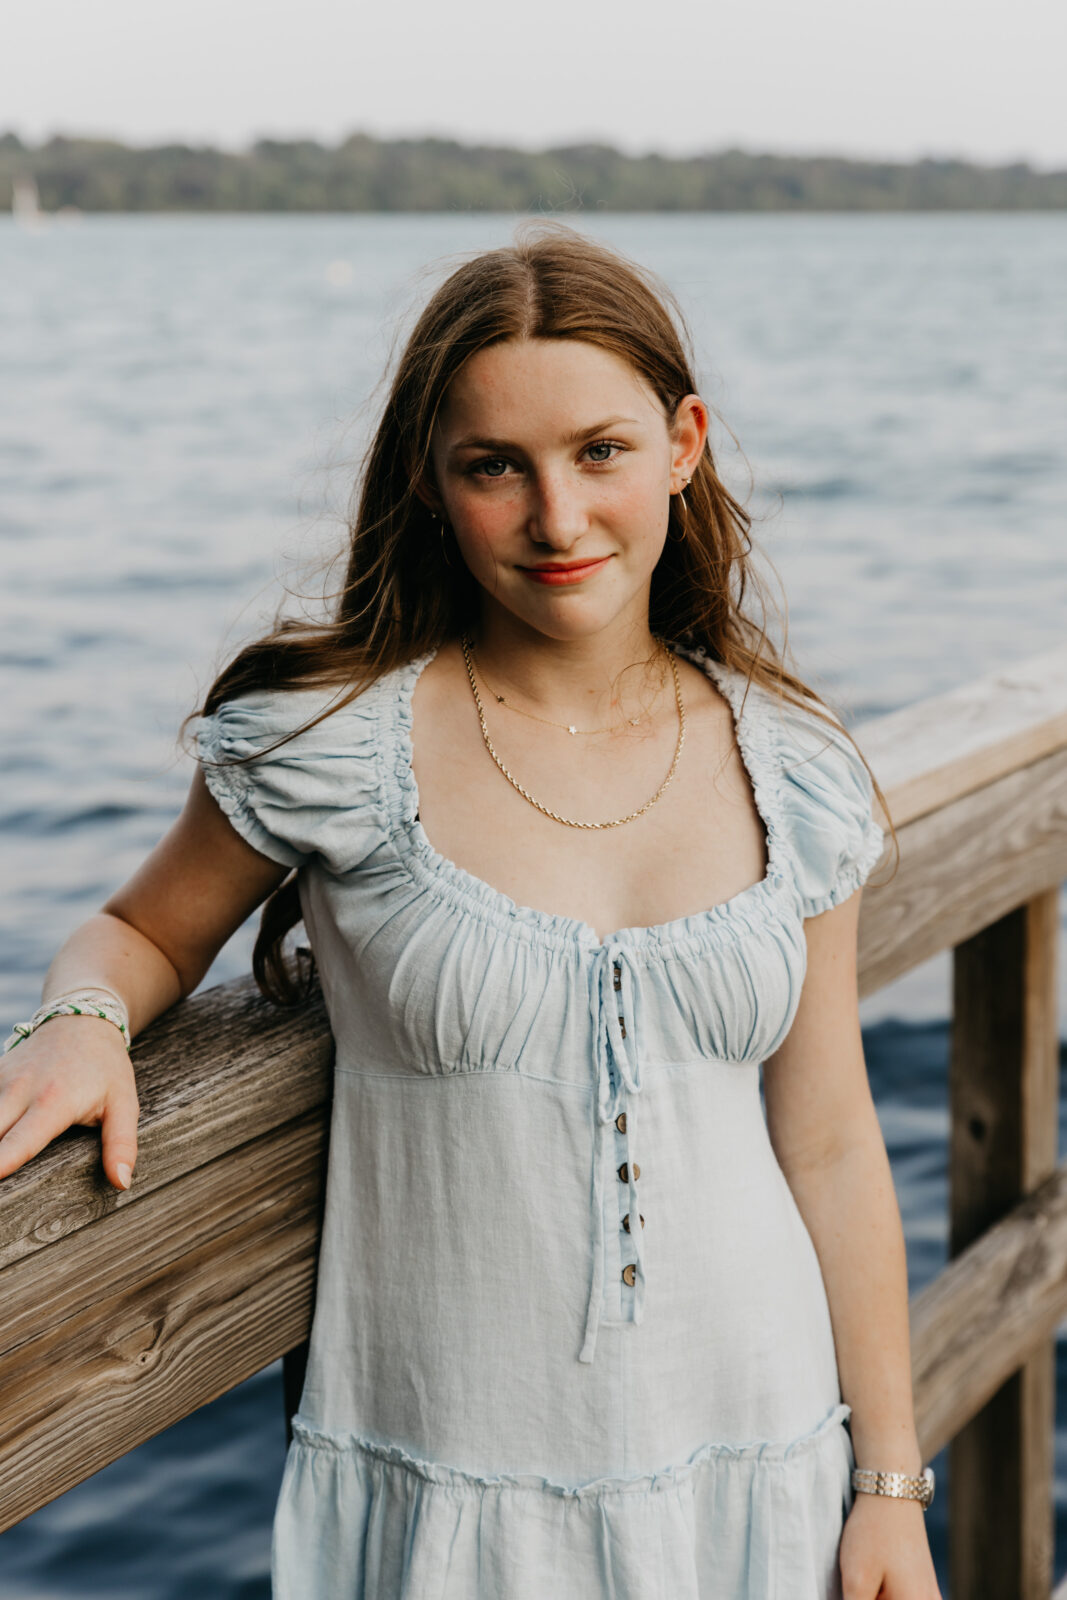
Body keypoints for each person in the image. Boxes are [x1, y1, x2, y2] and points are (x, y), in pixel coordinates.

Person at [0, 222, 941, 1599]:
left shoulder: (791, 767)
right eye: (496, 467)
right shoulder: (330, 743)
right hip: (451, 1493)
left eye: (599, 452)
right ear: (433, 486)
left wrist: (891, 1486)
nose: (558, 519)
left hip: (764, 1462)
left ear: (683, 445)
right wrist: (80, 1025)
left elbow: (837, 1143)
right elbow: (142, 933)